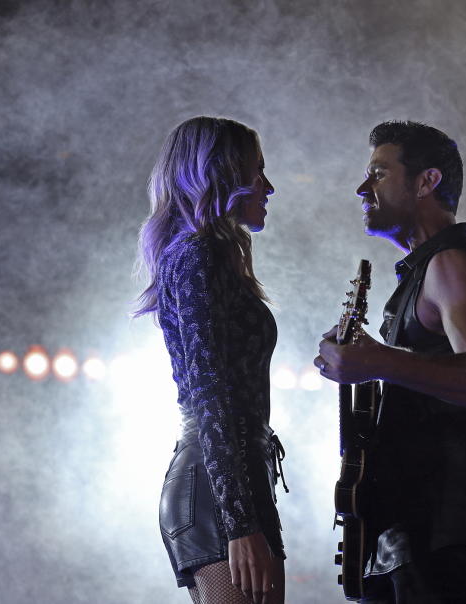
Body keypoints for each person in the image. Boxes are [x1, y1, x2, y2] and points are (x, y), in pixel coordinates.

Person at [315, 121, 466, 603]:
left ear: (426, 181)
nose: (362, 188)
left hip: (443, 535)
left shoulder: (454, 263)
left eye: (378, 173)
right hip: (416, 533)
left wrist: (377, 360)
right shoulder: (429, 269)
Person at [135, 116, 287, 604]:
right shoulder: (198, 256)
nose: (268, 186)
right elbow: (210, 394)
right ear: (222, 174)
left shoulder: (212, 256)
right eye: (256, 171)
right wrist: (239, 521)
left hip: (236, 476)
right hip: (218, 488)